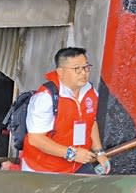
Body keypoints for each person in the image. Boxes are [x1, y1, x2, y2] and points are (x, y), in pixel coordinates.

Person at [22, 47, 109, 175]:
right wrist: (72, 153)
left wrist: (99, 152)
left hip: (78, 165)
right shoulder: (45, 97)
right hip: (44, 169)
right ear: (60, 72)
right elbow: (35, 139)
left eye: (86, 67)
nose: (83, 73)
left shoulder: (90, 91)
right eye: (76, 69)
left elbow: (91, 121)